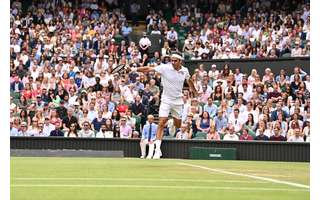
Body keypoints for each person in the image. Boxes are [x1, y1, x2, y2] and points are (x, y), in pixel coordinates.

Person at [133, 52, 198, 159]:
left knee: (177, 125)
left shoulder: (185, 70)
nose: (172, 62)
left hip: (178, 101)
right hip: (166, 99)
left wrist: (195, 91)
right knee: (161, 122)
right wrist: (134, 69)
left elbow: (189, 80)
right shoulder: (164, 68)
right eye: (171, 60)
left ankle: (172, 122)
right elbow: (149, 68)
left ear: (180, 61)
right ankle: (158, 150)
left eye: (175, 61)